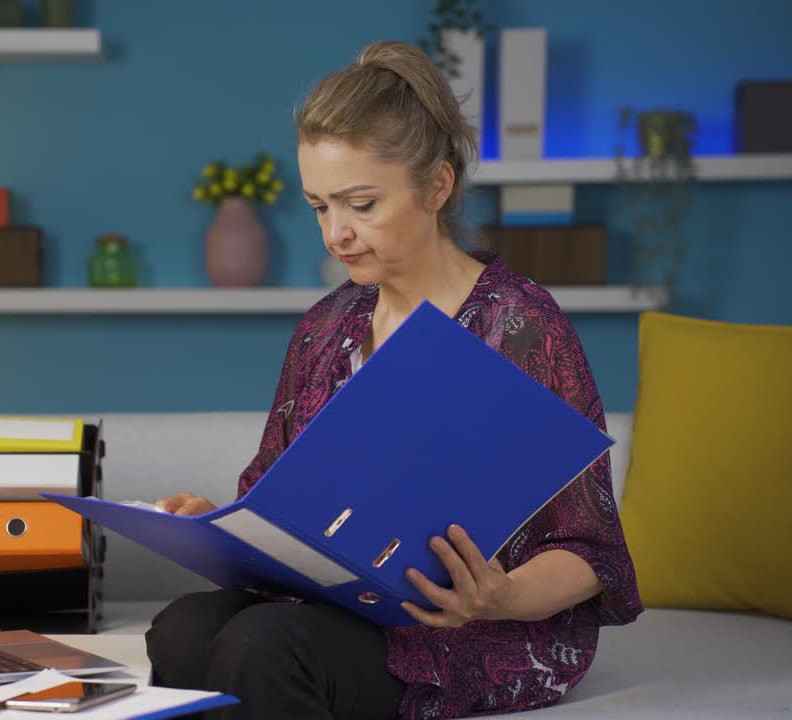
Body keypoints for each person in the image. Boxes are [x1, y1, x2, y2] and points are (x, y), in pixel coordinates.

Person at [143, 40, 644, 720]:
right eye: (320, 207)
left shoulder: (524, 328)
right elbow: (270, 500)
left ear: (436, 186)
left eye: (360, 204)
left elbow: (594, 552)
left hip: (473, 629)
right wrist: (214, 527)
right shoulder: (325, 328)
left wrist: (499, 594)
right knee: (180, 629)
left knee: (265, 647)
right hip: (336, 605)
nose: (337, 234)